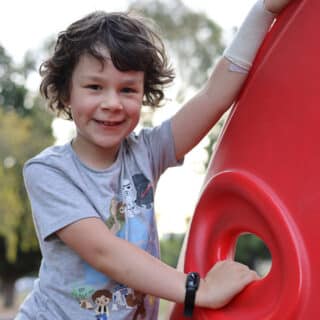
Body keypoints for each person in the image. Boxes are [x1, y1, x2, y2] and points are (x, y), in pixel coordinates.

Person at [16, 0, 294, 319]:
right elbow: (104, 252)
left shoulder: (146, 152)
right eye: (94, 87)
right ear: (66, 93)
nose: (112, 103)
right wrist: (197, 289)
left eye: (128, 90)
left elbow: (213, 96)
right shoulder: (49, 172)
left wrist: (264, 11)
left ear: (144, 94)